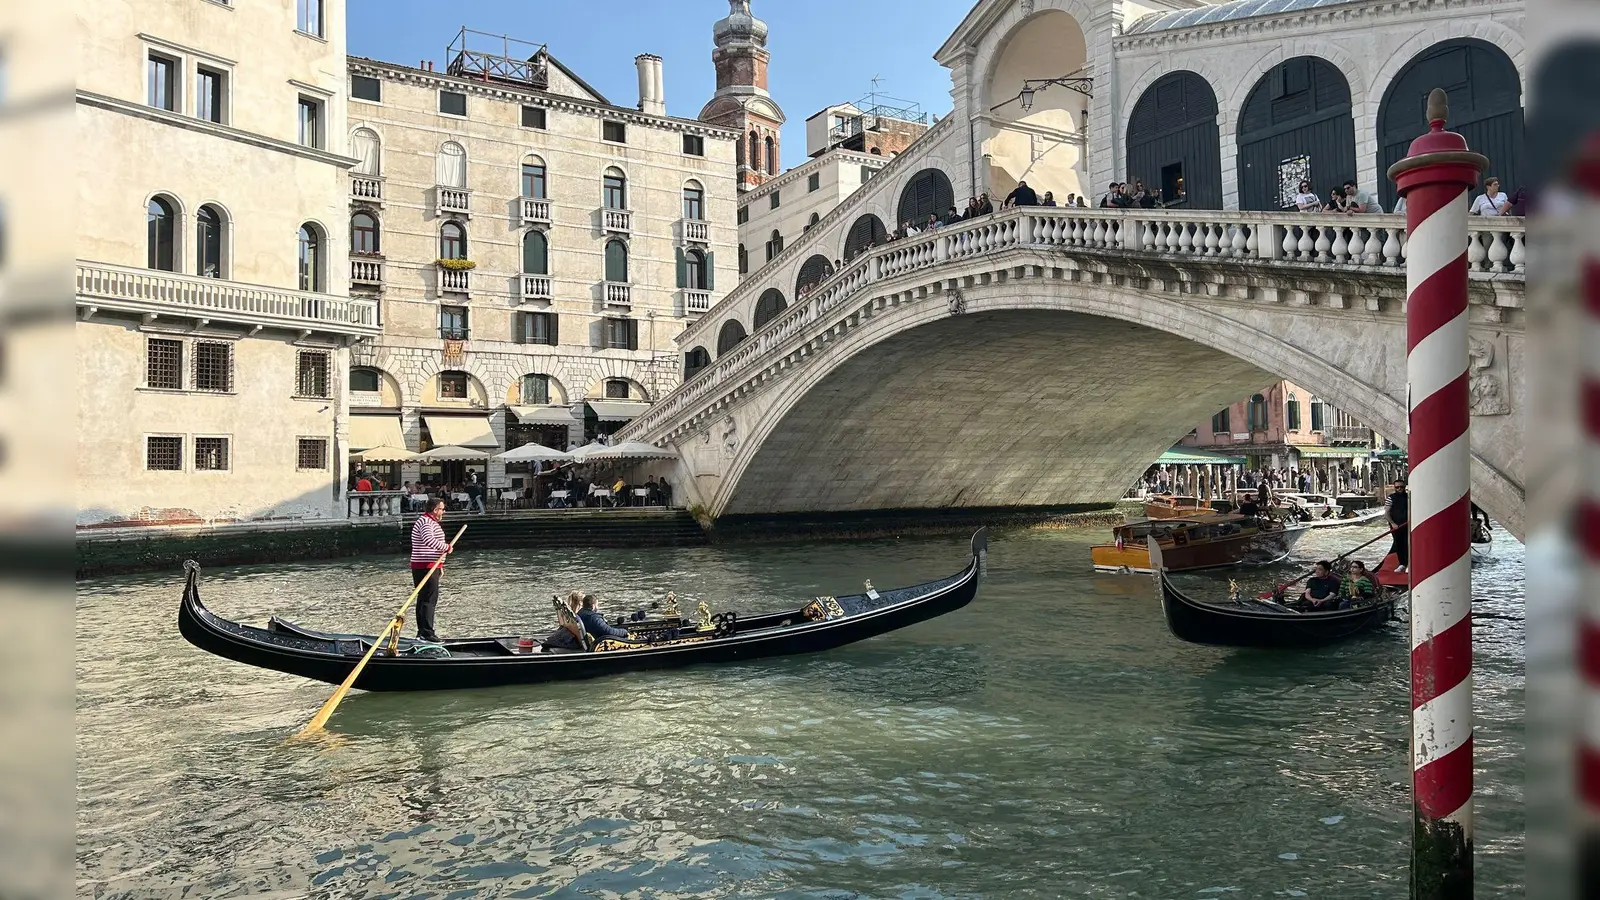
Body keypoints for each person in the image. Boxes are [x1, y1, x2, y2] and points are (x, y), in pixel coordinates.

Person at [409, 497, 453, 642]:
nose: (443, 512)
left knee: (423, 599)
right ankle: (427, 633)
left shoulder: (427, 521)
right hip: (425, 565)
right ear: (435, 510)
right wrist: (446, 547)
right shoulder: (426, 522)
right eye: (442, 509)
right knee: (428, 600)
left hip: (429, 565)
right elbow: (429, 541)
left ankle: (422, 632)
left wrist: (440, 565)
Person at [1386, 476, 1410, 573]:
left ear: (1404, 487)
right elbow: (1386, 513)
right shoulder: (1391, 498)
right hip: (1396, 526)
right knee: (1399, 544)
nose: (1399, 489)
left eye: (1401, 487)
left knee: (1409, 544)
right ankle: (1402, 564)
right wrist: (1393, 524)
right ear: (1394, 488)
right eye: (1397, 487)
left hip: (1408, 524)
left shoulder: (1408, 497)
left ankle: (1409, 564)